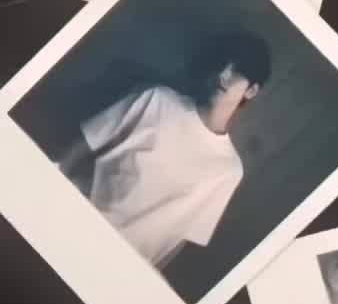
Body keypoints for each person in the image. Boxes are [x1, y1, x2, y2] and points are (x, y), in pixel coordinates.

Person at [54, 33, 271, 269]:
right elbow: (83, 144)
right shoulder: (158, 100)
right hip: (75, 222)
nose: (223, 74)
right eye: (222, 64)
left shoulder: (229, 170)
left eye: (236, 70)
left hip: (118, 266)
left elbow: (179, 239)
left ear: (251, 90)